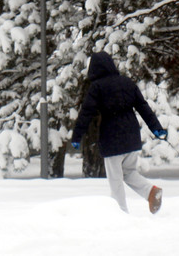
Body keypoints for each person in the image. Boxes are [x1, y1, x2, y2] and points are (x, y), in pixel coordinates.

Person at [70, 51, 168, 214]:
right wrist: (156, 128)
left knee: (115, 179)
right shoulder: (127, 82)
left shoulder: (97, 87)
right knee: (128, 172)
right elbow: (143, 107)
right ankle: (151, 192)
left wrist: (77, 135)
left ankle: (121, 213)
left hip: (112, 138)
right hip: (131, 136)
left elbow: (86, 112)